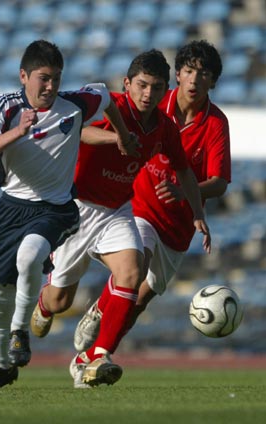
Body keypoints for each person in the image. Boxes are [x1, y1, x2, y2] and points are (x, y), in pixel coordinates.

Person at [30, 49, 210, 388]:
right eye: (142, 85)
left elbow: (185, 170)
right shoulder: (108, 105)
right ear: (127, 83)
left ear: (165, 89)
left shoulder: (163, 127)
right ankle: (45, 303)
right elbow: (75, 129)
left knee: (132, 272)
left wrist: (198, 213)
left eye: (157, 87)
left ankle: (97, 357)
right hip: (79, 209)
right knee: (60, 300)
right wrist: (118, 138)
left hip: (117, 211)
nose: (148, 94)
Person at [0, 39, 139, 388]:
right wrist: (18, 131)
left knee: (30, 255)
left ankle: (20, 332)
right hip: (12, 206)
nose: (50, 86)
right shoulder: (6, 106)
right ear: (24, 76)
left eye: (56, 79)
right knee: (0, 293)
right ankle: (2, 366)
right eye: (43, 78)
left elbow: (105, 97)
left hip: (56, 207)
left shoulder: (74, 105)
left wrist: (121, 134)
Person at [72, 40, 230, 359]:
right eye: (189, 71)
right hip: (140, 208)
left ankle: (89, 355)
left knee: (139, 302)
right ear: (178, 75)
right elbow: (100, 124)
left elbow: (220, 182)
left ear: (213, 81)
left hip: (177, 227)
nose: (195, 80)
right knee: (135, 270)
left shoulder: (215, 123)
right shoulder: (154, 99)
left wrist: (189, 196)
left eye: (203, 74)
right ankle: (100, 352)